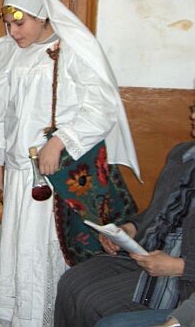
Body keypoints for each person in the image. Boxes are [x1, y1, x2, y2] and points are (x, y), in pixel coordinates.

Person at [0, 0, 140, 327]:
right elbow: (1, 111)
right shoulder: (6, 51)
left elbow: (101, 108)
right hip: (18, 171)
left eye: (20, 24)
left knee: (44, 249)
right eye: (8, 24)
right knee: (18, 248)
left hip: (56, 173)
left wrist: (59, 141)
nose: (13, 32)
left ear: (43, 18)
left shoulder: (71, 50)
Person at [56, 107, 195, 327]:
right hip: (147, 252)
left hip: (181, 273)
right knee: (71, 282)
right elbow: (162, 211)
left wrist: (179, 266)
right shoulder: (182, 154)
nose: (193, 116)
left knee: (94, 301)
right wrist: (130, 228)